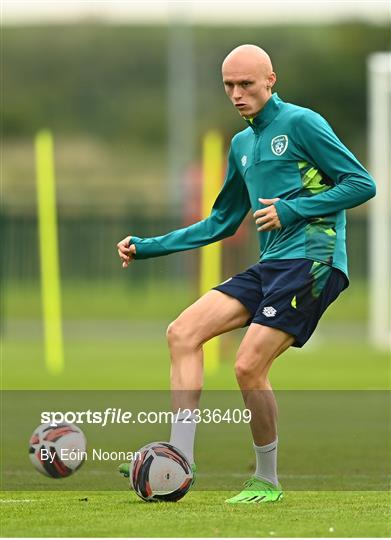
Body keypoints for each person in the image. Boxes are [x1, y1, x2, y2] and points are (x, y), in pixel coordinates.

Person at [117, 44, 376, 503]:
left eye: (246, 84)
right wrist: (148, 247)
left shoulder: (302, 123)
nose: (236, 94)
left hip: (314, 260)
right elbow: (220, 221)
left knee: (247, 364)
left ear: (271, 79)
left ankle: (267, 479)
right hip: (272, 265)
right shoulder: (242, 143)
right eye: (228, 86)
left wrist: (294, 209)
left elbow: (361, 183)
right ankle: (179, 459)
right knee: (182, 332)